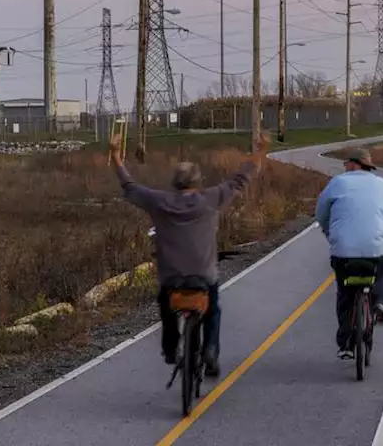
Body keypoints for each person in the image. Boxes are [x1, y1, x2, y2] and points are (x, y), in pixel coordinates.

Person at [109, 131, 269, 377]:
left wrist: (116, 157)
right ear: (198, 181)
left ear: (175, 183)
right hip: (203, 275)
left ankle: (171, 347)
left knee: (165, 303)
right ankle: (211, 351)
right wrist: (261, 151)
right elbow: (241, 179)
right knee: (213, 309)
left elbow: (130, 187)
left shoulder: (160, 202)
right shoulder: (211, 198)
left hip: (171, 276)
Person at [315, 147, 383, 359]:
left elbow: (321, 213)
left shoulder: (337, 184)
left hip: (343, 251)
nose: (344, 167)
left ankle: (346, 345)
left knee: (345, 291)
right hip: (375, 249)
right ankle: (380, 303)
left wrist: (330, 231)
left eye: (346, 163)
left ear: (354, 164)